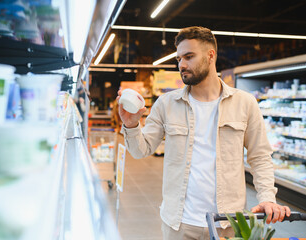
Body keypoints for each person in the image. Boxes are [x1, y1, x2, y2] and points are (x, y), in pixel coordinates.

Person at [117, 26, 291, 240]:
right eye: (179, 58)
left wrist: (267, 197)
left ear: (211, 56)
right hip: (179, 223)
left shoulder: (244, 103)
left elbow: (260, 157)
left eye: (188, 57)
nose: (181, 64)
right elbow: (140, 151)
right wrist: (132, 125)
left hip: (228, 223)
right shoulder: (166, 104)